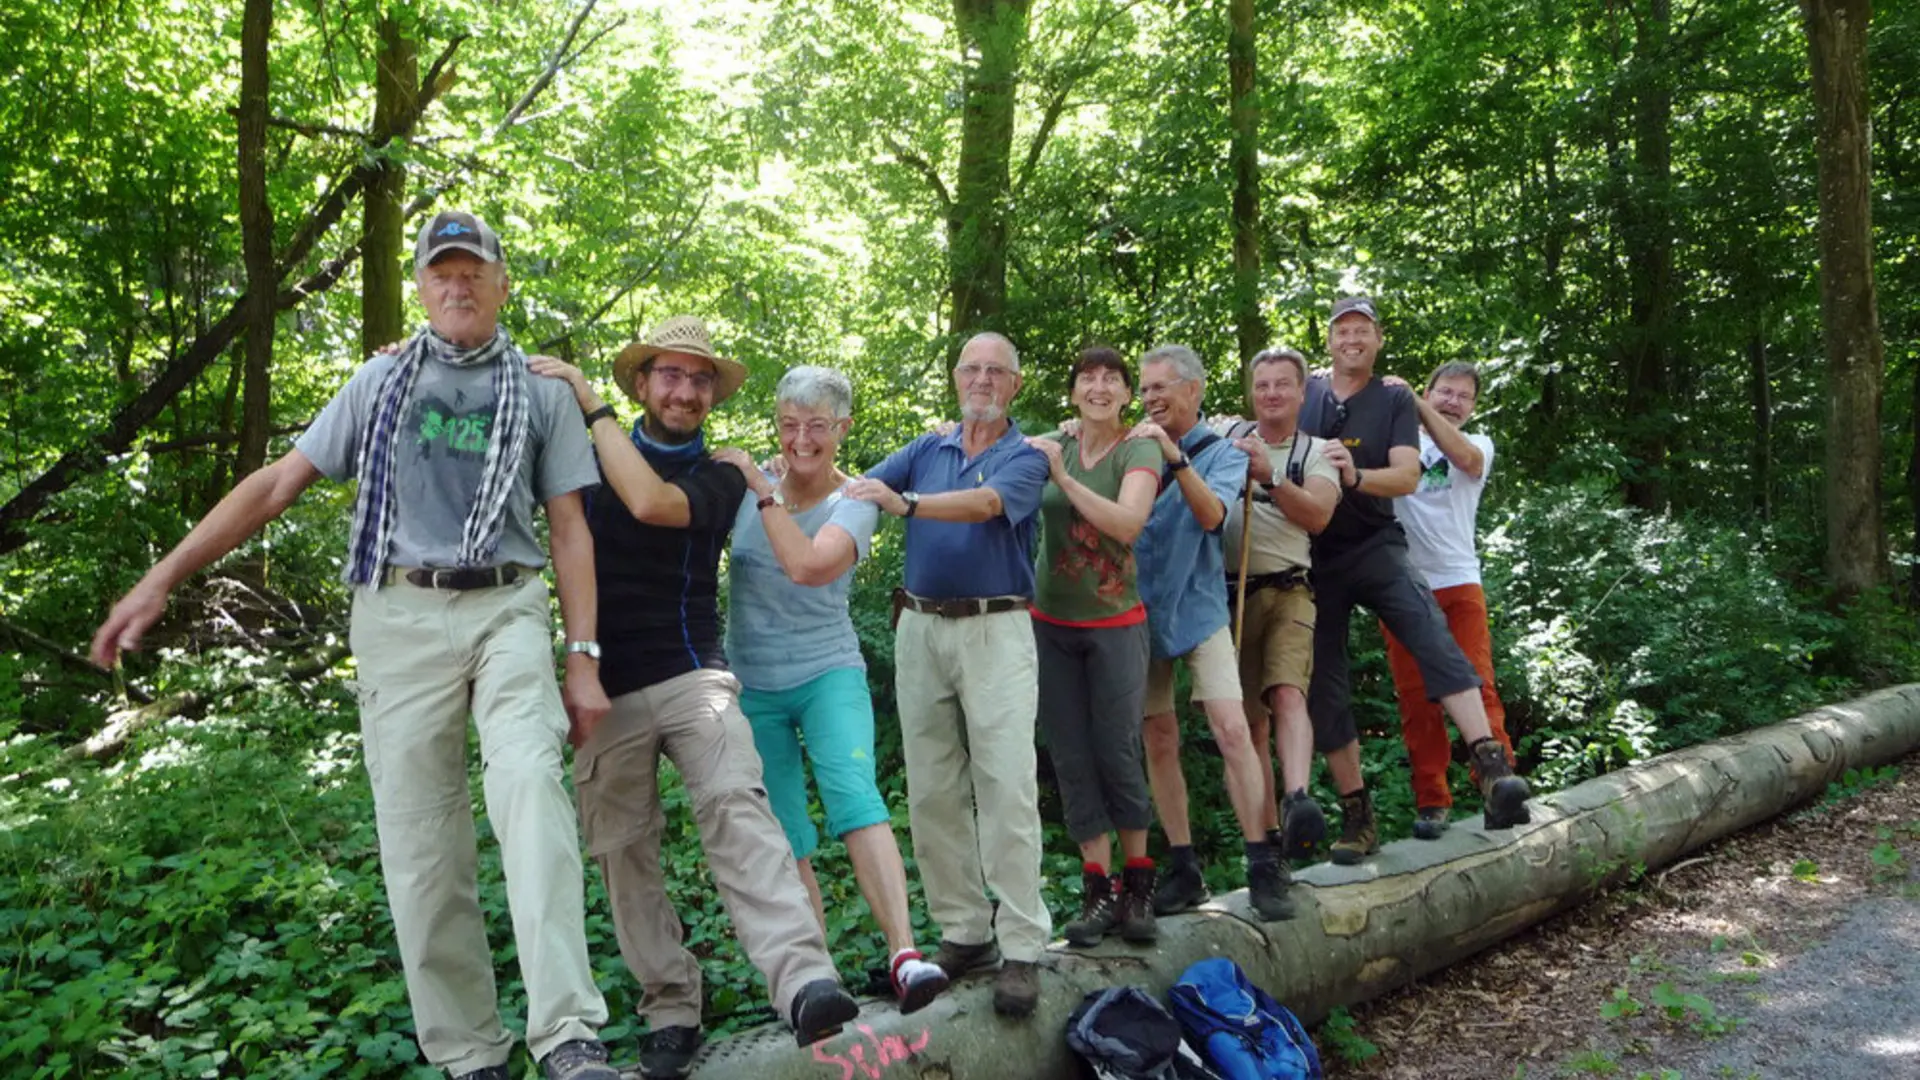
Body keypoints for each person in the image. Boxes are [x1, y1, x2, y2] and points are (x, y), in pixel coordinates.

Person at [91, 212, 620, 1080]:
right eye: (442, 272)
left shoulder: (544, 391)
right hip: (397, 614)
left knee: (530, 788)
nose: (457, 286)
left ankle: (567, 1035)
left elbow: (570, 530)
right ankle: (471, 1054)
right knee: (420, 840)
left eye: (473, 271)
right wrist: (163, 577)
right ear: (421, 286)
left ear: (501, 283)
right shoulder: (379, 383)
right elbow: (277, 484)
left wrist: (584, 657)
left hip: (507, 606)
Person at [529, 317, 857, 1080]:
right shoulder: (579, 456)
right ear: (642, 384)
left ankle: (804, 980)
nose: (685, 391)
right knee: (622, 853)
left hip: (691, 675)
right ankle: (671, 1008)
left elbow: (649, 502)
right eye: (670, 375)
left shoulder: (720, 475)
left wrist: (588, 401)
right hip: (603, 685)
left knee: (736, 802)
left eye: (700, 379)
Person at [710, 365, 950, 1013]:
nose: (801, 440)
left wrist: (762, 490)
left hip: (827, 673)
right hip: (752, 683)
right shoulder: (745, 489)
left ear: (842, 428)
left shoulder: (856, 500)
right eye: (789, 425)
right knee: (782, 830)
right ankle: (816, 979)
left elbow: (810, 566)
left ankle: (904, 955)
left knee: (854, 799)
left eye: (816, 425)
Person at [844, 332, 1051, 1019]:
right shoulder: (927, 448)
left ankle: (1021, 945)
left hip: (996, 629)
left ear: (1015, 384)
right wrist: (788, 476)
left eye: (996, 370)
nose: (982, 379)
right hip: (920, 626)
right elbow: (863, 487)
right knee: (932, 786)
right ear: (956, 377)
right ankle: (965, 931)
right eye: (972, 369)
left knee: (1006, 784)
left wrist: (907, 504)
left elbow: (987, 505)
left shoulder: (1026, 456)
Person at [1297, 296, 1530, 865]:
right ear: (1329, 340)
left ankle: (1495, 773)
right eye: (1342, 329)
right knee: (1354, 687)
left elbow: (1419, 472)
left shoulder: (1411, 409)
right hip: (1324, 554)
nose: (1352, 338)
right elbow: (1275, 423)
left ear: (1380, 341)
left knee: (1459, 665)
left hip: (1422, 564)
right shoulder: (1310, 393)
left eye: (1364, 330)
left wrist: (1367, 461)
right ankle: (1384, 809)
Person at [1129, 344, 1293, 922]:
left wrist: (1174, 458)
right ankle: (1184, 867)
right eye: (1144, 389)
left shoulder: (1223, 454)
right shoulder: (1130, 449)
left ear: (1193, 390)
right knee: (1158, 737)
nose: (1150, 398)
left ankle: (1263, 863)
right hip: (1136, 611)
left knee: (1232, 728)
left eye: (1161, 387)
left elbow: (1213, 517)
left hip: (1200, 608)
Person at [1025, 346, 1162, 948]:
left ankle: (1139, 885)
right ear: (1074, 392)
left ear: (1127, 394)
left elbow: (1128, 524)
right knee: (1070, 756)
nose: (1099, 387)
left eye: (1112, 379)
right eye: (1088, 378)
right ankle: (1096, 889)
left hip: (1115, 625)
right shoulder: (1053, 443)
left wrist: (1061, 478)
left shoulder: (1139, 448)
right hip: (1050, 624)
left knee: (1117, 750)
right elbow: (993, 468)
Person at [1380, 361, 1517, 839]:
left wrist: (1418, 405)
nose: (1453, 402)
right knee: (1417, 698)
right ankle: (1432, 801)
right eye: (1445, 392)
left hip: (1459, 581)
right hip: (1403, 585)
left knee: (1478, 685)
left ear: (1474, 406)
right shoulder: (1396, 443)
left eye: (1464, 396)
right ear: (1430, 390)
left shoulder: (1478, 444)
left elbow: (1467, 461)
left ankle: (1500, 788)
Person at [1219, 347, 1342, 862]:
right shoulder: (1227, 435)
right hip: (1229, 595)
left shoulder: (1317, 452)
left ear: (1302, 392)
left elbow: (1318, 516)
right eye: (1262, 384)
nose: (1271, 393)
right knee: (1249, 722)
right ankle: (1269, 835)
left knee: (1288, 690)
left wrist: (1269, 476)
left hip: (1289, 589)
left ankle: (1298, 797)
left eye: (1282, 384)